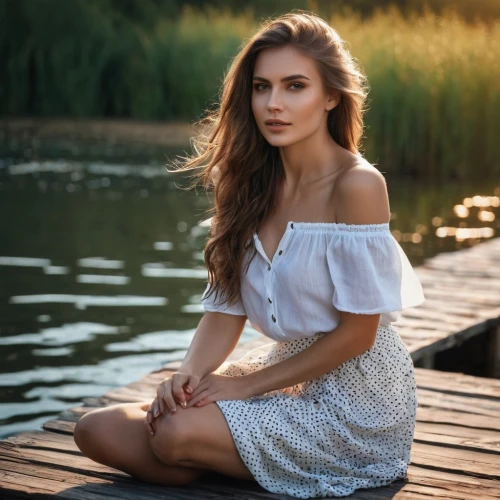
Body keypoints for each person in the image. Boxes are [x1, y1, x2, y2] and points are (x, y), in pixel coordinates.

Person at [73, 10, 425, 498]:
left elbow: (359, 333)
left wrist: (241, 388)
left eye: (294, 86)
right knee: (96, 429)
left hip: (357, 402)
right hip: (282, 377)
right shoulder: (247, 185)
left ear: (330, 96)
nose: (273, 104)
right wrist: (188, 376)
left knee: (173, 434)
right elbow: (225, 309)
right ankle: (229, 455)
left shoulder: (358, 185)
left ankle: (209, 449)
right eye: (262, 87)